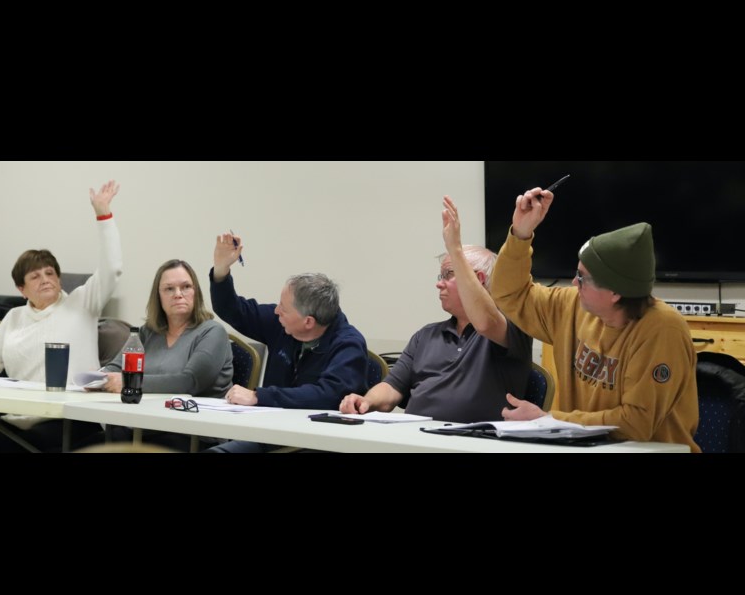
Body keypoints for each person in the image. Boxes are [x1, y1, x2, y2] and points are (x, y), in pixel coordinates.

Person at [489, 183, 700, 451]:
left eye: (582, 277)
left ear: (614, 291)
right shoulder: (571, 305)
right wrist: (521, 233)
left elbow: (636, 424)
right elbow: (508, 294)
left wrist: (549, 419)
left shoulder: (662, 328)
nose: (574, 284)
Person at [0, 180, 123, 451]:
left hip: (69, 418)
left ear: (59, 279)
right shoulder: (13, 317)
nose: (45, 279)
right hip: (16, 418)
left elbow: (112, 269)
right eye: (35, 276)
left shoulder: (83, 303)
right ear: (21, 289)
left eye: (50, 273)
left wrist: (103, 215)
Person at [340, 196, 532, 422]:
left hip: (475, 442)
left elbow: (486, 324)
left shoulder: (512, 325)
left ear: (477, 279)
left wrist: (455, 249)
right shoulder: (425, 336)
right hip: (413, 438)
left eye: (449, 275)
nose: (439, 283)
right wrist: (366, 401)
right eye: (441, 275)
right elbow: (391, 388)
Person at [206, 232, 368, 452]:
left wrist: (257, 396)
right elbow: (233, 309)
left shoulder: (348, 344)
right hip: (270, 433)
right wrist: (221, 269)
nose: (276, 311)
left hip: (316, 442)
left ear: (308, 321)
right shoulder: (280, 324)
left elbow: (327, 395)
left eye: (283, 308)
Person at [100, 259, 233, 397]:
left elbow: (191, 382)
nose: (178, 294)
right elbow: (116, 367)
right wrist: (94, 379)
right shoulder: (148, 332)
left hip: (198, 415)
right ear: (158, 297)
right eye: (169, 289)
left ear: (196, 292)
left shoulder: (213, 332)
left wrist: (130, 383)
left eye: (186, 287)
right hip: (150, 411)